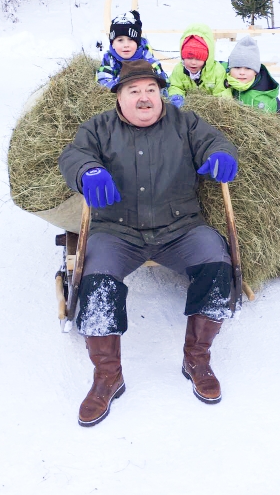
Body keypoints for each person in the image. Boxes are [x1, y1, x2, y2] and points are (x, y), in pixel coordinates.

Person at [58, 59, 239, 427]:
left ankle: (197, 358)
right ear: (118, 98)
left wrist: (221, 155)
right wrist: (86, 170)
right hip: (117, 231)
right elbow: (73, 155)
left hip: (180, 228)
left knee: (218, 262)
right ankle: (107, 375)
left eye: (151, 90)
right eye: (134, 91)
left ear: (161, 94)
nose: (144, 98)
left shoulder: (184, 123)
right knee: (96, 279)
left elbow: (215, 141)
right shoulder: (98, 128)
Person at [96, 10, 168, 90]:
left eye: (131, 40)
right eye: (120, 40)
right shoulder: (109, 60)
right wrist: (123, 81)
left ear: (138, 43)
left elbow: (164, 83)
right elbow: (103, 82)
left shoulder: (149, 60)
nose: (126, 45)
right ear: (112, 44)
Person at [225, 35, 280, 116]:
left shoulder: (265, 92)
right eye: (237, 67)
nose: (242, 72)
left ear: (255, 72)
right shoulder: (223, 85)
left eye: (248, 68)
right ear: (229, 69)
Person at [168, 23, 230, 105]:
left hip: (210, 110)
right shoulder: (179, 70)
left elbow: (222, 93)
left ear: (207, 57)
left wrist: (218, 106)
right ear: (183, 56)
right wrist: (177, 98)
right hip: (187, 110)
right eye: (189, 58)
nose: (193, 63)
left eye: (198, 59)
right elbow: (175, 86)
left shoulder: (217, 71)